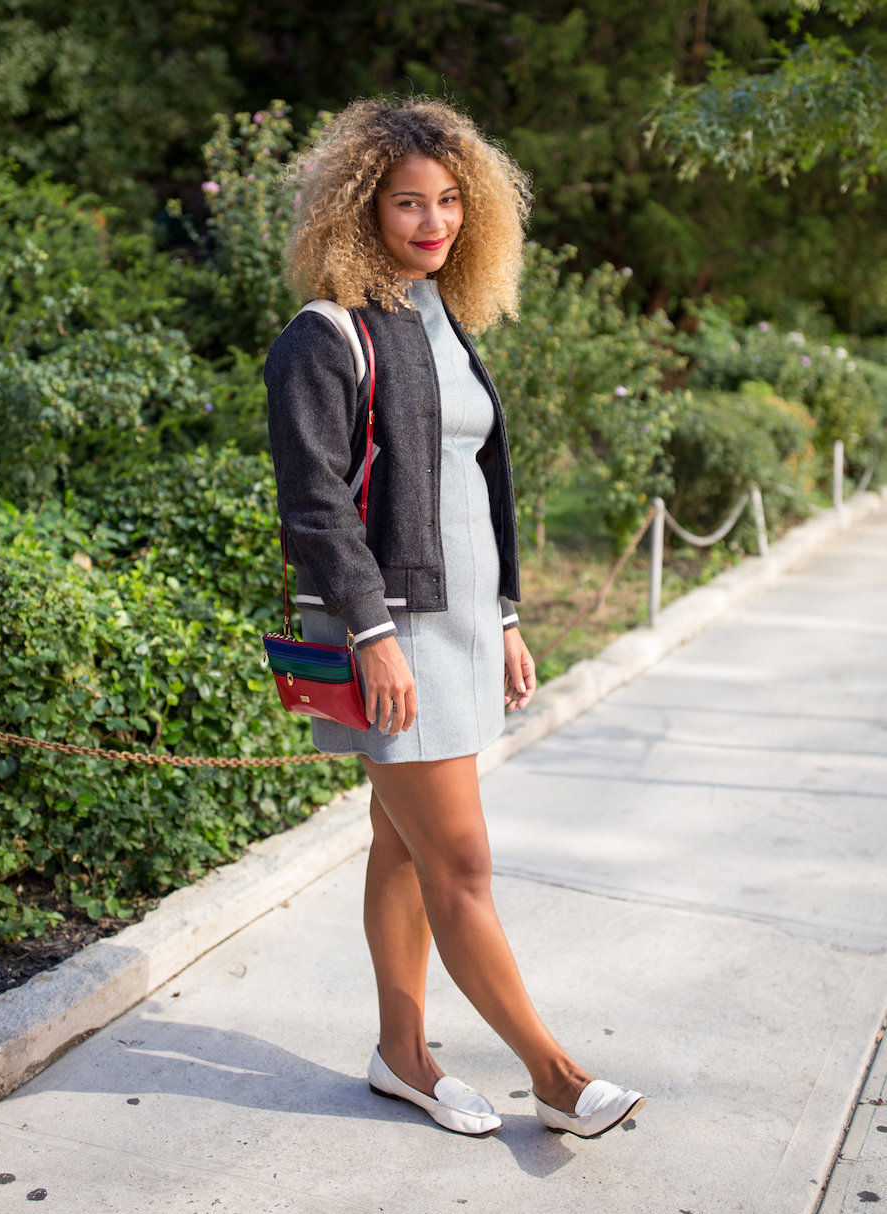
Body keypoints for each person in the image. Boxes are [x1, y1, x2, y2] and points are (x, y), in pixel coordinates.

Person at [264, 96, 645, 1139]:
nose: (432, 222)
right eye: (405, 203)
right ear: (359, 209)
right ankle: (556, 1076)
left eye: (447, 201)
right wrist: (372, 633)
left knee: (402, 846)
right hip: (397, 632)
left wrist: (507, 616)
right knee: (461, 864)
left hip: (466, 623)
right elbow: (314, 505)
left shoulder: (443, 319)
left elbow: (475, 487)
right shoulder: (324, 336)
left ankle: (402, 1054)